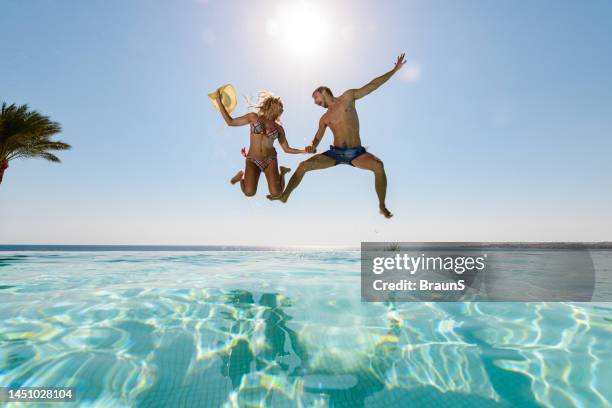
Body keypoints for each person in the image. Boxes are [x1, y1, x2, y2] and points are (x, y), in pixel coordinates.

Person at [269, 54, 406, 218]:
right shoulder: (324, 118)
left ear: (323, 91)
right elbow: (317, 138)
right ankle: (285, 196)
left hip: (356, 153)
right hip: (335, 154)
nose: (315, 102)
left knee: (378, 165)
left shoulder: (348, 98)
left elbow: (373, 85)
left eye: (315, 97)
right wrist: (312, 146)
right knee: (303, 166)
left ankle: (382, 205)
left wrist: (394, 70)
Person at [215, 90, 305, 197]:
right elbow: (230, 122)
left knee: (276, 193)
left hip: (270, 160)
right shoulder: (253, 117)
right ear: (271, 104)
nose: (282, 108)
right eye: (280, 104)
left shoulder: (279, 128)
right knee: (249, 192)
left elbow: (287, 149)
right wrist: (219, 102)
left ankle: (283, 172)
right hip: (253, 160)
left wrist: (303, 151)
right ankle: (241, 177)